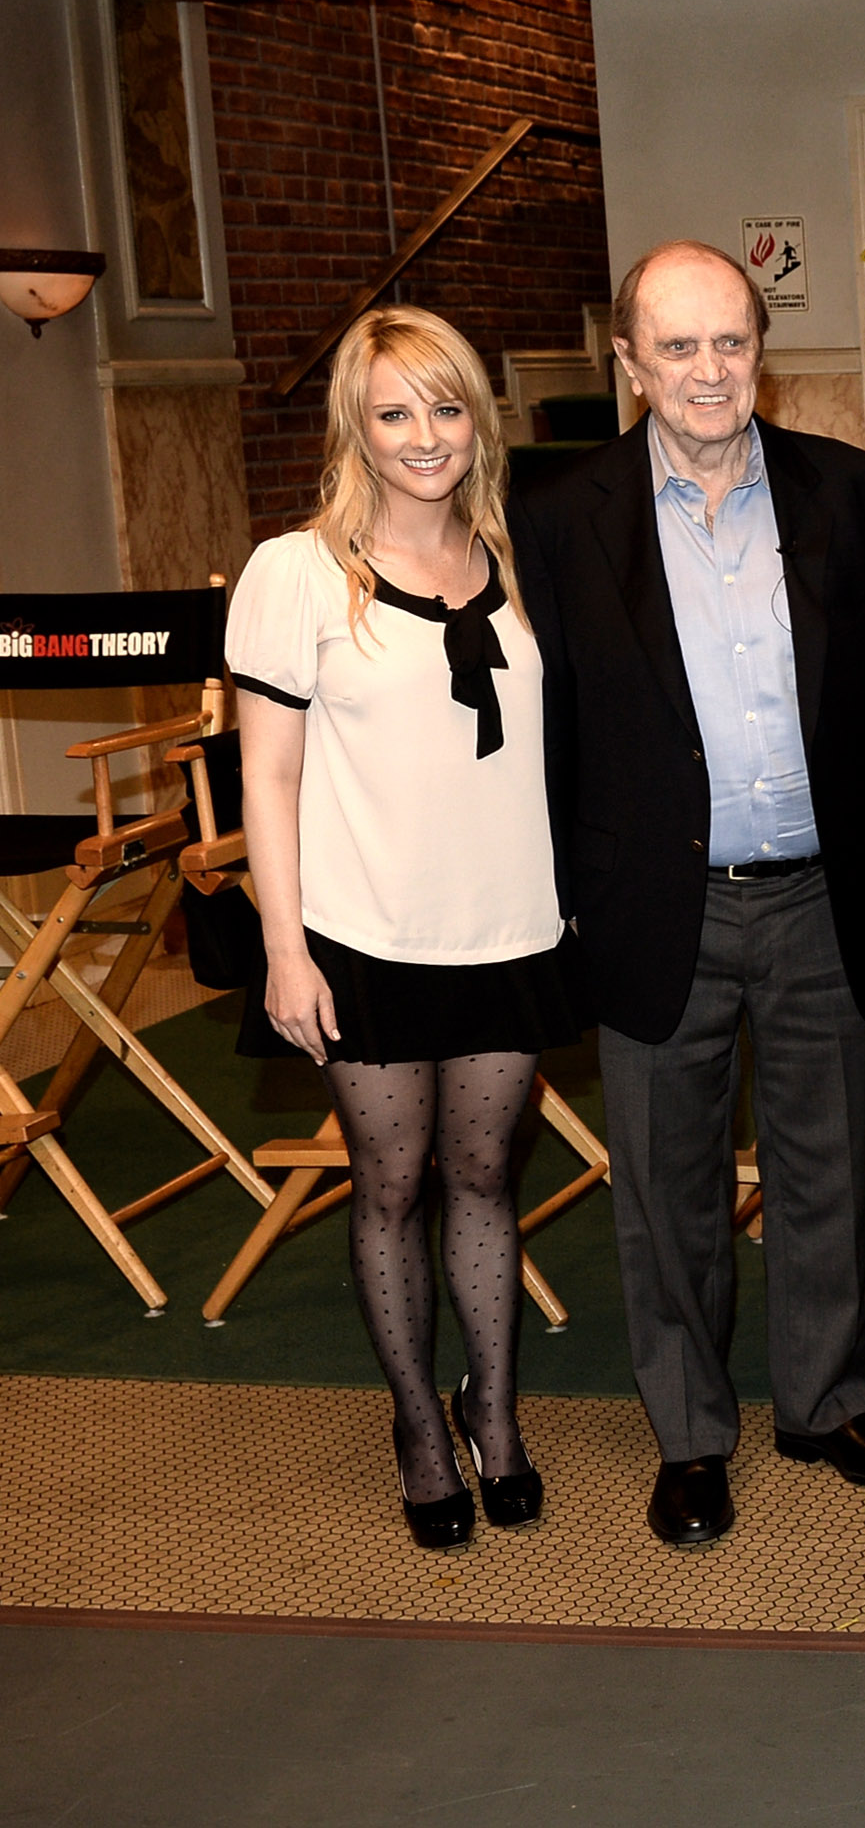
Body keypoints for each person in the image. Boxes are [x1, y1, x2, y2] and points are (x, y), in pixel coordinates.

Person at [512, 240, 865, 1549]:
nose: (709, 370)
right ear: (630, 362)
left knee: (828, 1164)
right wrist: (557, 902)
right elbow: (550, 731)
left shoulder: (857, 494)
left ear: (763, 349)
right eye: (679, 346)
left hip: (829, 897)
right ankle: (692, 1435)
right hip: (654, 907)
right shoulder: (557, 516)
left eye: (732, 342)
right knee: (665, 1189)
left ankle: (824, 1403)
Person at [231, 306, 576, 1550]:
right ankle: (419, 1429)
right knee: (391, 1185)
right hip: (364, 933)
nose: (424, 436)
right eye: (394, 413)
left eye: (445, 407)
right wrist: (285, 946)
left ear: (477, 417)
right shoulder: (297, 572)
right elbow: (266, 775)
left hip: (511, 928)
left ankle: (497, 1418)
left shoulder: (524, 554)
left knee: (485, 1176)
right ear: (355, 429)